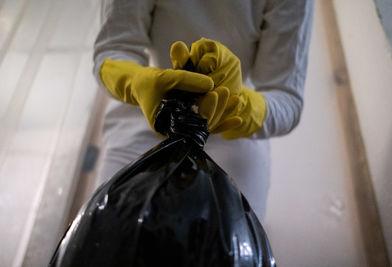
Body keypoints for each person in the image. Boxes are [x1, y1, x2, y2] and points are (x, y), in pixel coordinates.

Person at [93, 0, 314, 221]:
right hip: (144, 116)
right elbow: (115, 46)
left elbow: (286, 96)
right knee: (109, 232)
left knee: (232, 242)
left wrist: (241, 107)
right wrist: (135, 82)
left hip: (232, 133)